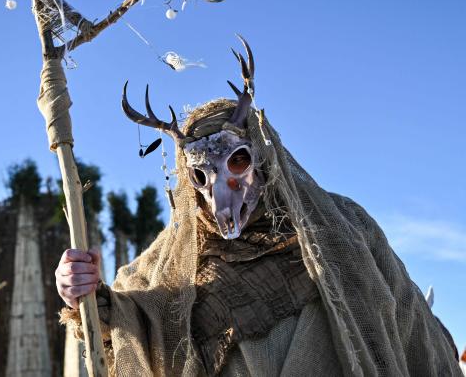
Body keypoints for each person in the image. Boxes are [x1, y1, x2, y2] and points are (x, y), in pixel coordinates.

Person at [56, 37, 461, 376]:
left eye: (237, 161)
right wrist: (85, 291)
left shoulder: (343, 228)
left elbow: (412, 327)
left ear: (263, 158)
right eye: (201, 175)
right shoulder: (170, 264)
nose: (221, 188)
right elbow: (123, 327)